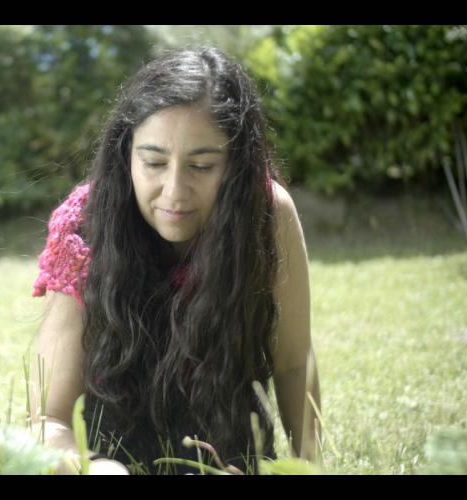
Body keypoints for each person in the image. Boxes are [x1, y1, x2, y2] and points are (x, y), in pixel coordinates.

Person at [29, 47, 321, 475]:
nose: (174, 192)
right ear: (124, 153)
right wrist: (94, 469)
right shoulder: (85, 228)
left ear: (238, 164)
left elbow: (294, 366)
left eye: (202, 166)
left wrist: (309, 466)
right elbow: (47, 420)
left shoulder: (268, 216)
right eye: (154, 162)